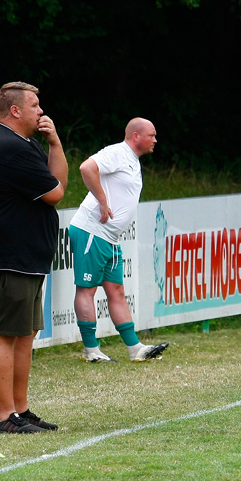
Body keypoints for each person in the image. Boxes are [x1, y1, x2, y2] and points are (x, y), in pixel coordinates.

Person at [0, 82, 66, 434]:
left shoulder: (22, 144)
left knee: (23, 334)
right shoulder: (7, 146)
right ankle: (4, 415)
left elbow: (54, 185)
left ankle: (20, 410)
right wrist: (54, 144)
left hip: (21, 256)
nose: (41, 111)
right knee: (5, 333)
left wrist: (53, 142)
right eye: (35, 105)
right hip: (5, 257)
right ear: (15, 111)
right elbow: (55, 192)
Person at [70, 118, 169, 364]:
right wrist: (102, 201)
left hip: (110, 238)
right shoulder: (117, 153)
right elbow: (86, 168)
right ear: (136, 136)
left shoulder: (133, 161)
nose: (155, 140)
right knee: (87, 289)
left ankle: (135, 348)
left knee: (116, 290)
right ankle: (91, 350)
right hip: (91, 231)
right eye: (152, 135)